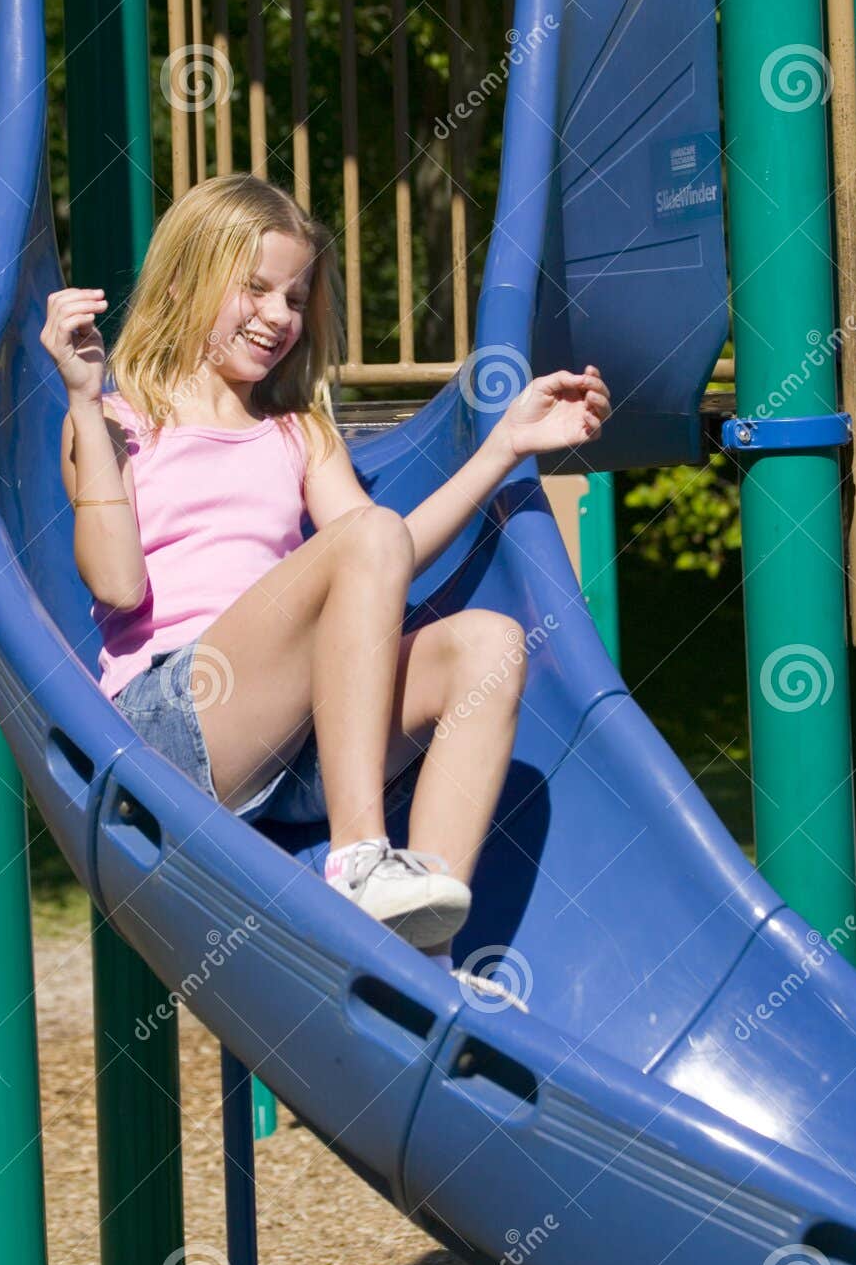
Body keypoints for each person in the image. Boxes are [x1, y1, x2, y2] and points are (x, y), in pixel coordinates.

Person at [41, 172, 610, 974]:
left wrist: (503, 448)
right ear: (182, 280)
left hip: (292, 747)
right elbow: (116, 586)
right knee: (364, 535)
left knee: (488, 644)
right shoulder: (116, 420)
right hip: (169, 728)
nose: (279, 315)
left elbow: (389, 552)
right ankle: (359, 855)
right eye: (255, 289)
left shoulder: (297, 433)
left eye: (296, 297)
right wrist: (80, 398)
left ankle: (424, 959)